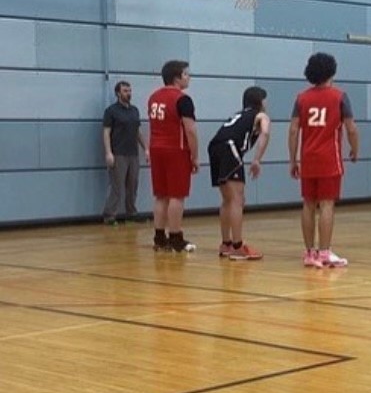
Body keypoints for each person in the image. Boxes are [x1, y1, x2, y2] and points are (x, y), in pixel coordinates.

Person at [288, 52, 359, 268]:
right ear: (332, 71)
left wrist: (293, 160)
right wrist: (355, 149)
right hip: (330, 159)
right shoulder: (340, 96)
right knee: (327, 204)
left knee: (308, 204)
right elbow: (351, 128)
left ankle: (310, 253)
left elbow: (293, 130)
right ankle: (325, 253)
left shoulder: (301, 98)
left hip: (307, 158)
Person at [208, 86, 271, 261]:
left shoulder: (240, 115)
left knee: (227, 199)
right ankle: (237, 247)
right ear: (260, 101)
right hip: (229, 147)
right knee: (237, 199)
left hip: (214, 147)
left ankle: (226, 244)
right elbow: (265, 132)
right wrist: (257, 159)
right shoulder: (261, 115)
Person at [147, 60, 199, 253]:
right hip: (176, 149)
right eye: (186, 74)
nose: (189, 77)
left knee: (161, 195)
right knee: (177, 195)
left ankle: (159, 238)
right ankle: (176, 238)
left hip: (156, 148)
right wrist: (195, 156)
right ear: (177, 78)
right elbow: (190, 130)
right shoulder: (182, 99)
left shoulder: (153, 97)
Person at [102, 80, 148, 225]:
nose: (128, 93)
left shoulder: (134, 110)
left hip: (133, 153)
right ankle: (109, 215)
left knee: (133, 185)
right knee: (117, 186)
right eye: (125, 91)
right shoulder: (111, 111)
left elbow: (137, 132)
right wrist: (108, 152)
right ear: (118, 93)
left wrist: (145, 148)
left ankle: (131, 213)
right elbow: (106, 132)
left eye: (129, 91)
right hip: (118, 153)